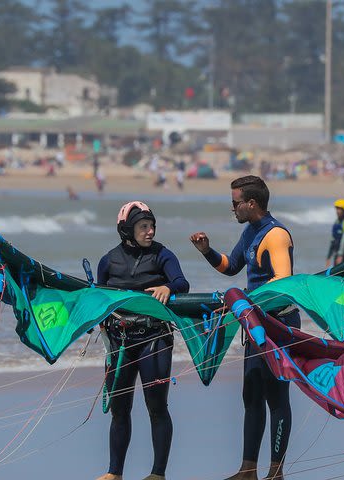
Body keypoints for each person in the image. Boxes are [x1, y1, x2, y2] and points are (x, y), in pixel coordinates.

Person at [190, 175, 299, 480]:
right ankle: (248, 470)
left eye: (236, 203)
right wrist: (206, 251)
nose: (233, 208)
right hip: (254, 322)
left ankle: (275, 472)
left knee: (276, 397)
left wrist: (244, 301)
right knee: (251, 395)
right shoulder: (251, 231)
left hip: (278, 323)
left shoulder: (275, 235)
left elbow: (283, 279)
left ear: (252, 203)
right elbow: (231, 266)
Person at [96, 201, 190, 480]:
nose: (149, 232)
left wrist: (167, 286)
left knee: (157, 405)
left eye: (151, 226)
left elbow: (182, 283)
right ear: (127, 229)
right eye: (143, 226)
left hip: (154, 337)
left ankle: (157, 474)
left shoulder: (163, 255)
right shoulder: (108, 260)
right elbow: (98, 296)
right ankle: (115, 473)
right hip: (119, 340)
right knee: (119, 408)